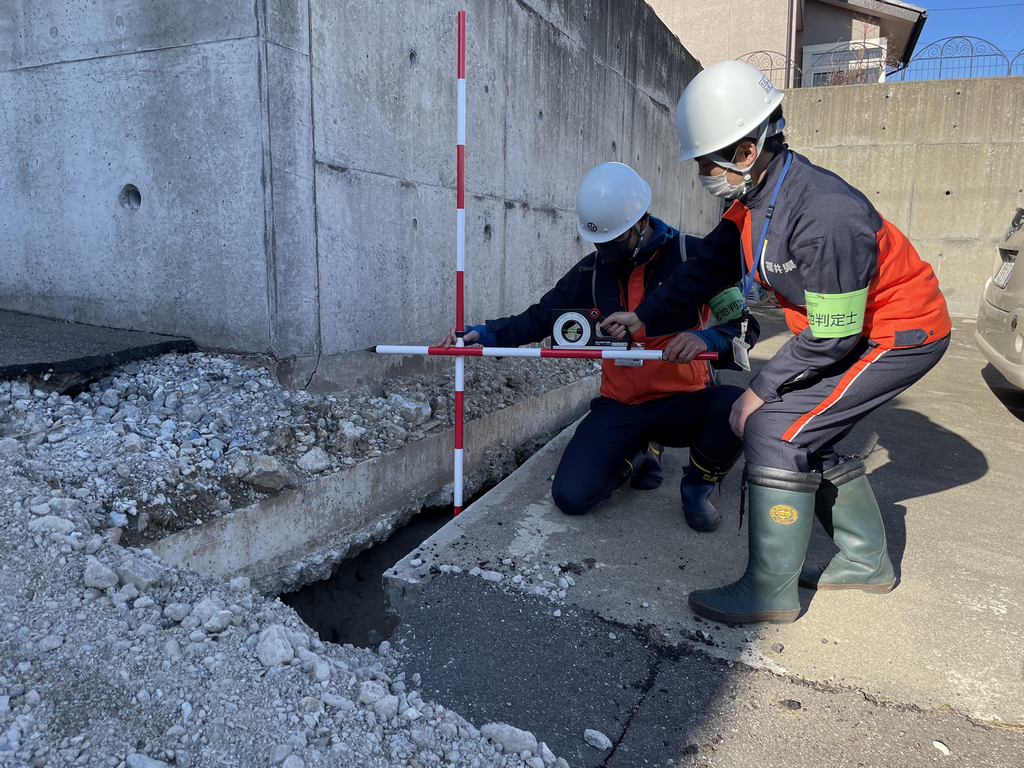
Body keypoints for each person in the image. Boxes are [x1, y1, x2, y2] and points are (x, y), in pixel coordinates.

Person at [603, 61, 951, 624]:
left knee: (773, 426)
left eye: (704, 161)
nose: (700, 173)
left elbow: (834, 333)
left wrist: (758, 389)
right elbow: (704, 273)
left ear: (745, 152)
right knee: (805, 428)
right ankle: (867, 562)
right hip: (847, 333)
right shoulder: (752, 201)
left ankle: (769, 591)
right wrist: (643, 319)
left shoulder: (826, 213)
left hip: (898, 334)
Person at [440, 162, 760, 531]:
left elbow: (744, 327)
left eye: (615, 241)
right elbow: (539, 318)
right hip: (620, 405)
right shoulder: (589, 273)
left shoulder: (697, 259)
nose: (606, 251)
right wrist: (484, 334)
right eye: (599, 242)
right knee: (572, 497)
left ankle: (696, 487)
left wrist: (703, 338)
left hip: (683, 402)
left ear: (642, 221)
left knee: (737, 407)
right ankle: (637, 454)